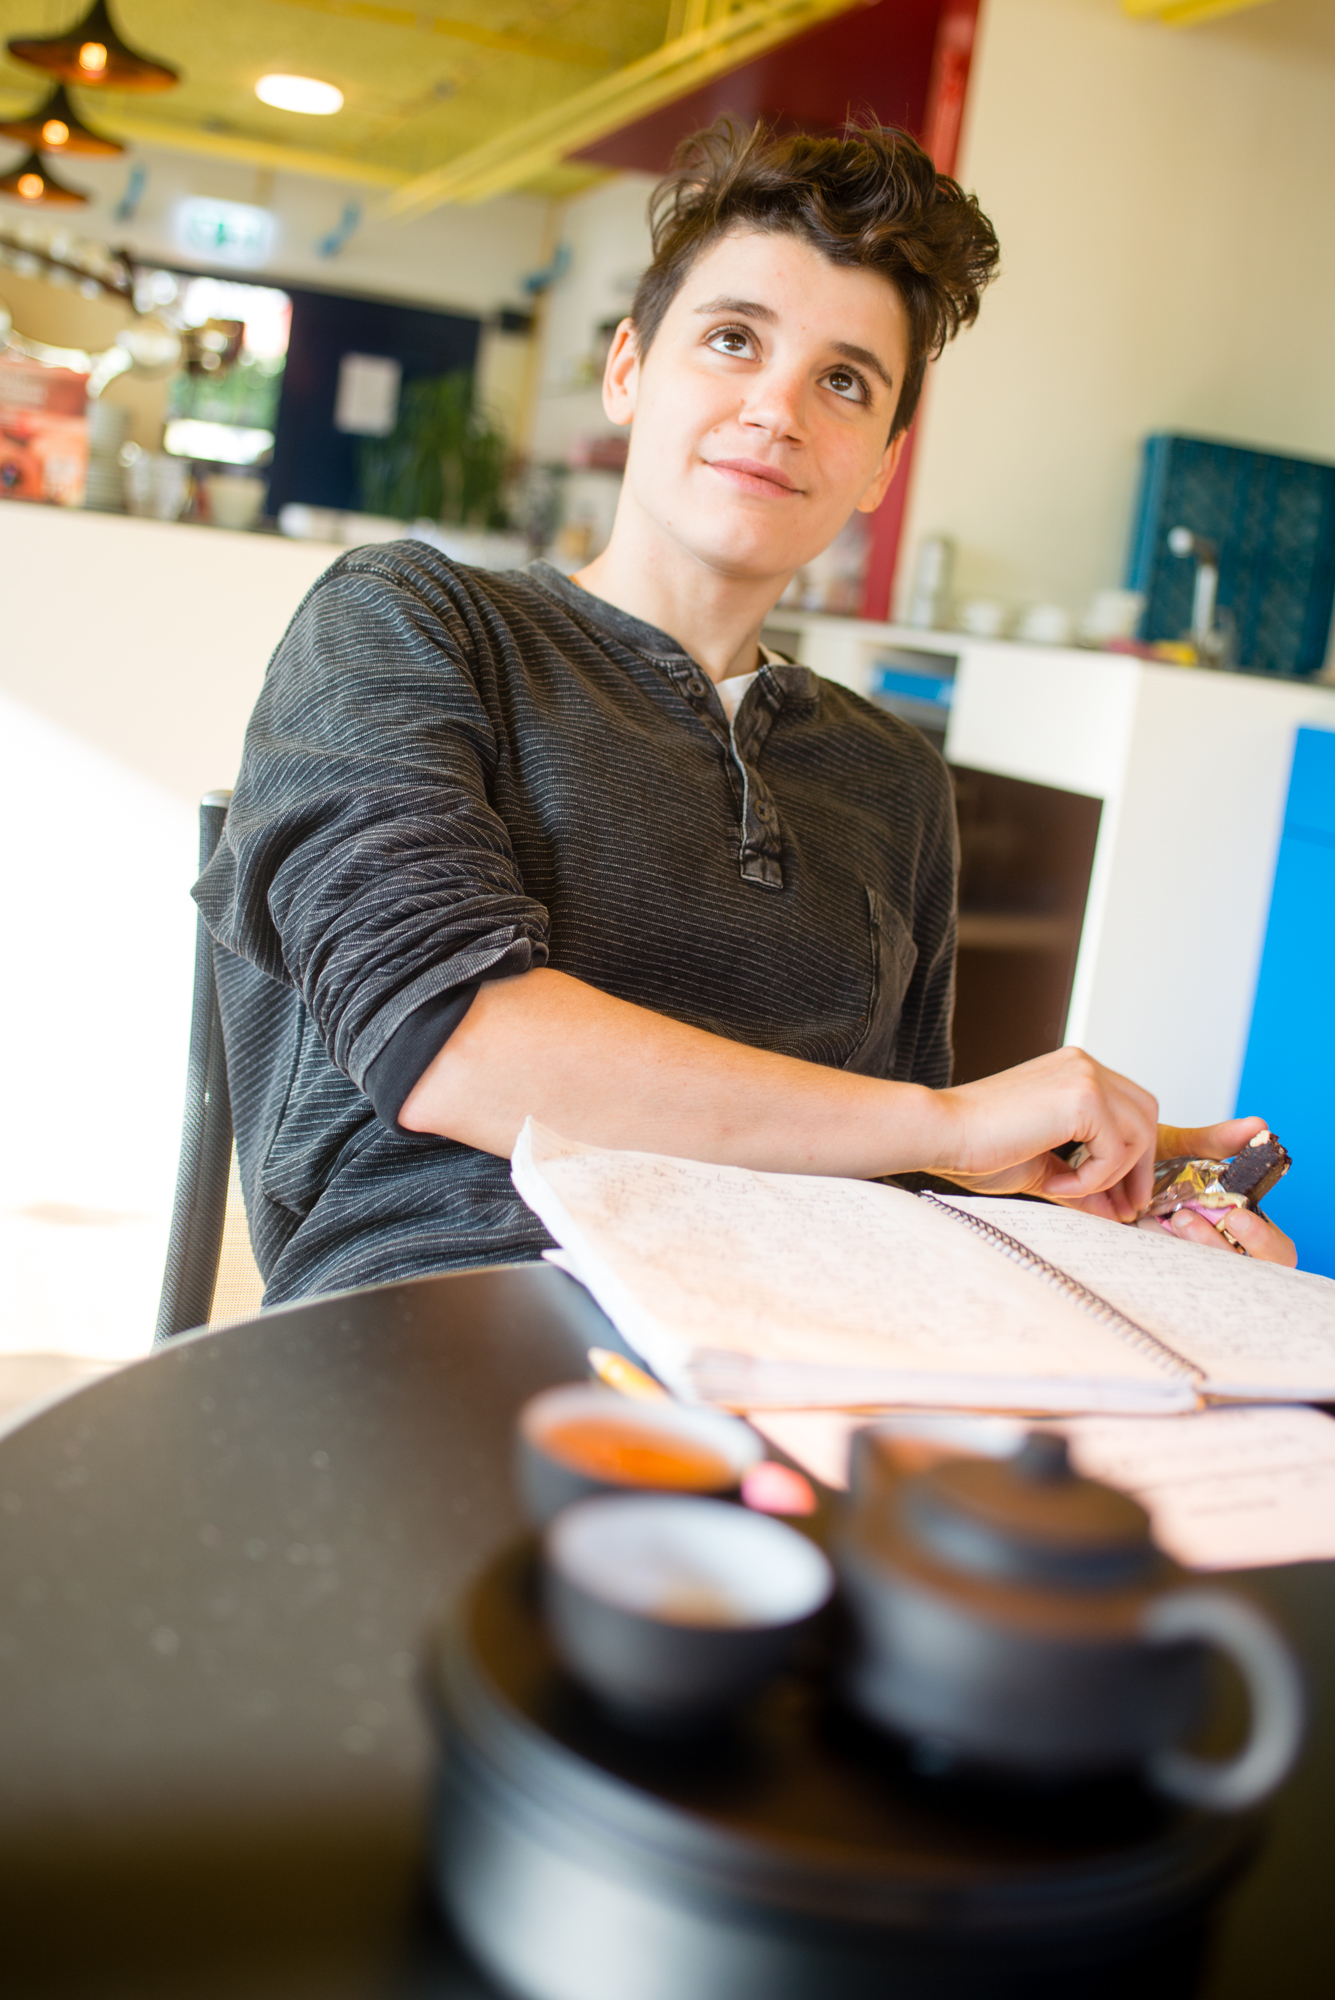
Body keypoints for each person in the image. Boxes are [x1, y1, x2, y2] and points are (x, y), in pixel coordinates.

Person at [196, 119, 1294, 1305]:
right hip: (458, 1299)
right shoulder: (411, 619)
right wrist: (952, 1122)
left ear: (880, 466)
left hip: (810, 1326)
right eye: (733, 340)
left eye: (843, 381)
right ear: (629, 369)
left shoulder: (895, 778)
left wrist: (1101, 1203)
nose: (778, 409)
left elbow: (888, 1165)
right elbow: (450, 1041)